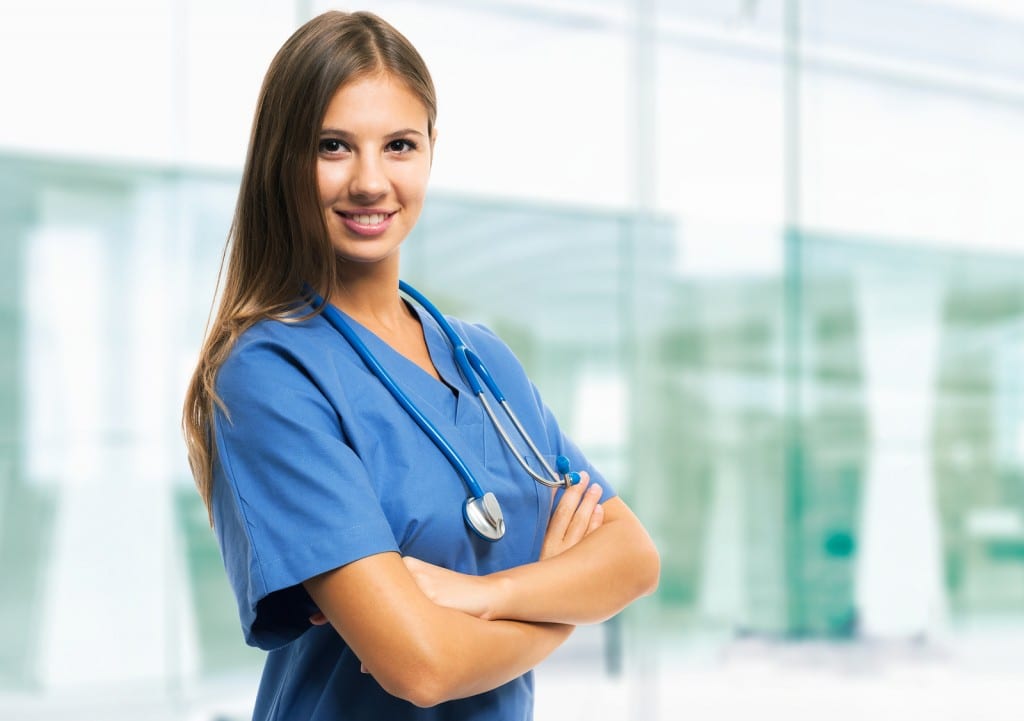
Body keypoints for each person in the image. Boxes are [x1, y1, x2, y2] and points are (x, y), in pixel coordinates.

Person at [182, 10, 659, 721]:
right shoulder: (269, 376)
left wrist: (486, 596)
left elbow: (633, 559)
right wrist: (563, 604)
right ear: (284, 159)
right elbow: (422, 666)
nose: (371, 181)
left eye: (399, 145)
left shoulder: (482, 359)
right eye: (333, 146)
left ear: (432, 149)